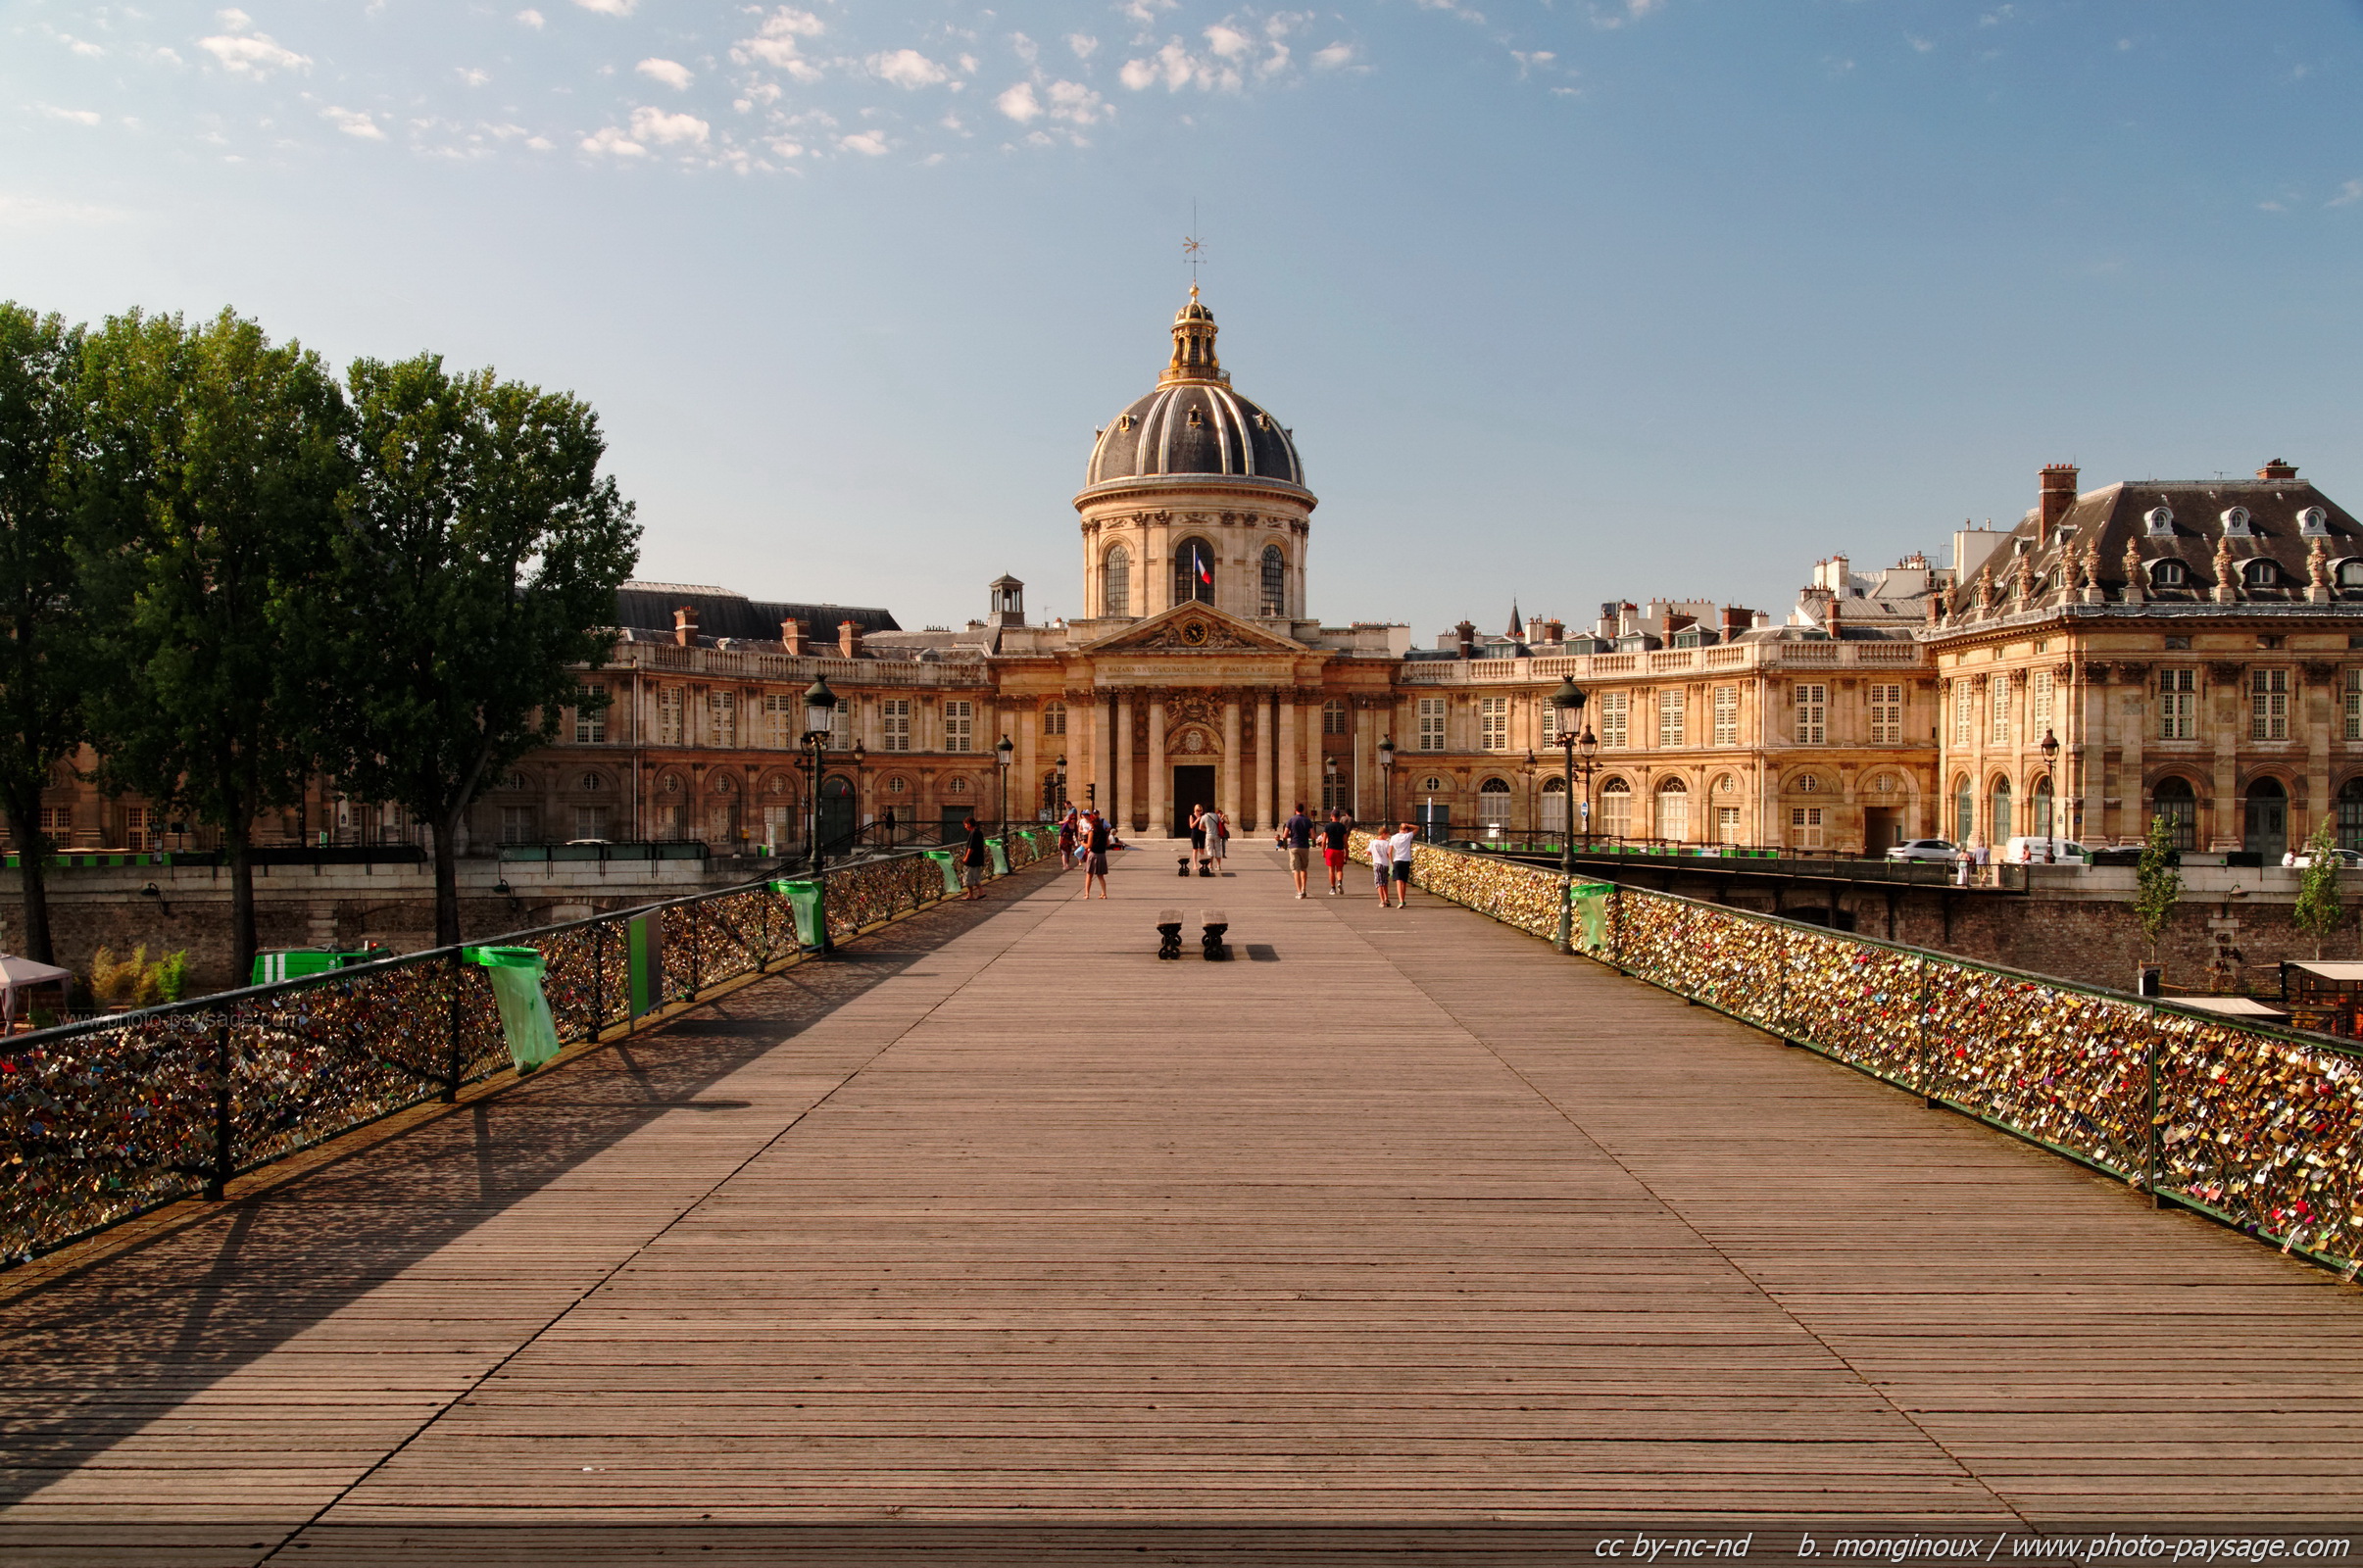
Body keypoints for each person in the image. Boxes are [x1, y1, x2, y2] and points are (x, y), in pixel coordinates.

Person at [1279, 802, 1315, 898]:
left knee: (1296, 870)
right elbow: (1313, 836)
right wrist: (1306, 835)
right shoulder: (1307, 820)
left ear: (1295, 810)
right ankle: (1303, 889)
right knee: (1304, 869)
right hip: (1304, 847)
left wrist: (1293, 835)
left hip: (1294, 846)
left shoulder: (1291, 820)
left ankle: (1299, 892)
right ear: (1303, 810)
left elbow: (1285, 835)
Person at [1319, 808, 1353, 896]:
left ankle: (1333, 888)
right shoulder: (1342, 827)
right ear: (1339, 816)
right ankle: (1340, 882)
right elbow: (1345, 841)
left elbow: (1323, 840)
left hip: (1330, 849)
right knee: (1339, 869)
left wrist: (1323, 851)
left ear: (1332, 816)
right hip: (1339, 850)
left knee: (1331, 869)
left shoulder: (1328, 826)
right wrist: (1347, 852)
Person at [1388, 820, 1417, 907]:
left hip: (1397, 860)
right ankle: (1403, 900)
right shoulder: (1407, 836)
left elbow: (1390, 851)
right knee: (1404, 882)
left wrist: (1391, 860)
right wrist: (1409, 825)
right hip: (1406, 860)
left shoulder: (1393, 837)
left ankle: (1400, 901)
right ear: (1407, 830)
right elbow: (1417, 828)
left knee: (1398, 882)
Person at [1084, 808, 1112, 899]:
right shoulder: (1104, 833)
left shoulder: (1092, 832)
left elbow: (1088, 845)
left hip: (1093, 854)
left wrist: (1081, 843)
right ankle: (1104, 894)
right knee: (1100, 876)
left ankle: (1087, 894)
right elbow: (1108, 844)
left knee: (1089, 875)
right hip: (1102, 855)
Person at [960, 814, 988, 900]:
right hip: (978, 858)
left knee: (968, 878)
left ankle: (970, 894)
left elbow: (971, 847)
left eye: (965, 825)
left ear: (968, 824)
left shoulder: (973, 833)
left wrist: (966, 858)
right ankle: (981, 892)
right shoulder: (979, 832)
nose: (965, 827)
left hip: (972, 859)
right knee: (975, 877)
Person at [1370, 827, 1396, 904]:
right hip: (1385, 864)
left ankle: (1381, 900)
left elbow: (1368, 852)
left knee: (1379, 883)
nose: (1387, 837)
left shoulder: (1373, 842)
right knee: (1385, 882)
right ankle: (1386, 898)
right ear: (1384, 834)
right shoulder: (1387, 843)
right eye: (1387, 835)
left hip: (1377, 863)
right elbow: (1389, 854)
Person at [1205, 806, 1229, 872]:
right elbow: (1225, 822)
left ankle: (1210, 866)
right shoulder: (1217, 816)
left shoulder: (1205, 816)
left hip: (1209, 835)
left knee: (1210, 851)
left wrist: (1207, 830)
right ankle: (1218, 865)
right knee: (1218, 850)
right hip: (1217, 835)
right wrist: (1222, 817)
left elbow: (1200, 827)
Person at [1187, 804, 1207, 871]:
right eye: (1197, 810)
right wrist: (1197, 819)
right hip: (1195, 833)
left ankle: (1202, 863)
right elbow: (1191, 826)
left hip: (1202, 833)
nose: (1199, 812)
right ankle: (1195, 864)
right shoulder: (1192, 816)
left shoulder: (1203, 816)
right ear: (1195, 810)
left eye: (1200, 810)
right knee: (1195, 849)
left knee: (1202, 849)